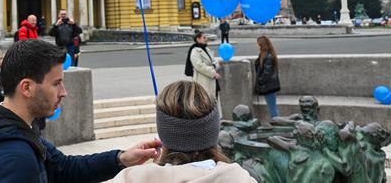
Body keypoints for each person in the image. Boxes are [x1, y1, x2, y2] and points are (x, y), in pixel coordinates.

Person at [0, 39, 161, 183]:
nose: (64, 92)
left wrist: (122, 158)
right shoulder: (16, 160)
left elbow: (63, 168)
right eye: (56, 83)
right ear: (27, 87)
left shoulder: (4, 123)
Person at [111, 80, 256, 182]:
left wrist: (121, 160)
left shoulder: (129, 179)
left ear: (163, 134)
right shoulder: (242, 178)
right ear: (213, 131)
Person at [186, 30, 220, 101]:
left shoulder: (207, 49)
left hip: (211, 80)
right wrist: (213, 72)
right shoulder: (195, 51)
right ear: (198, 39)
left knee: (213, 100)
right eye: (204, 38)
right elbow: (199, 66)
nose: (206, 39)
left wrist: (215, 66)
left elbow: (214, 61)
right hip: (203, 81)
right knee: (204, 101)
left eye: (206, 37)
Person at [255, 36, 281, 117]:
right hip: (270, 85)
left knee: (273, 109)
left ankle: (277, 122)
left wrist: (260, 81)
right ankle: (276, 121)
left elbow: (267, 73)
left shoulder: (267, 56)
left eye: (258, 44)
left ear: (262, 45)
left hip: (268, 86)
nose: (257, 46)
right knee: (273, 107)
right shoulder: (267, 55)